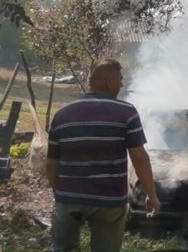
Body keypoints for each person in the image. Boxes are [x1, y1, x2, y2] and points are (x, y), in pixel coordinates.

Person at [47, 60, 160, 252]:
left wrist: (60, 195)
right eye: (120, 80)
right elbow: (139, 157)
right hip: (109, 201)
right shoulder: (127, 112)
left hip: (68, 199)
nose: (122, 85)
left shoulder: (62, 115)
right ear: (109, 82)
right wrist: (152, 195)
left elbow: (51, 163)